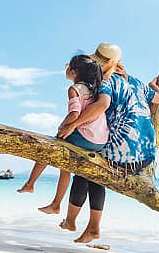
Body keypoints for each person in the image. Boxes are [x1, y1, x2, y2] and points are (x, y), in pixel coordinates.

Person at [58, 42, 159, 243]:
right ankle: (88, 227)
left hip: (122, 156)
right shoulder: (136, 82)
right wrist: (153, 86)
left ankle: (75, 222)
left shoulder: (107, 82)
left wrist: (74, 125)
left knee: (84, 170)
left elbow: (102, 104)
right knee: (91, 169)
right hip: (145, 156)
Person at [16, 55, 108, 216]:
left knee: (48, 148)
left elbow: (74, 114)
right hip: (100, 141)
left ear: (74, 72)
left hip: (85, 137)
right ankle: (55, 204)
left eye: (68, 65)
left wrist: (62, 127)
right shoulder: (95, 89)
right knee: (64, 165)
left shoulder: (74, 89)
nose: (65, 67)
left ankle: (31, 184)